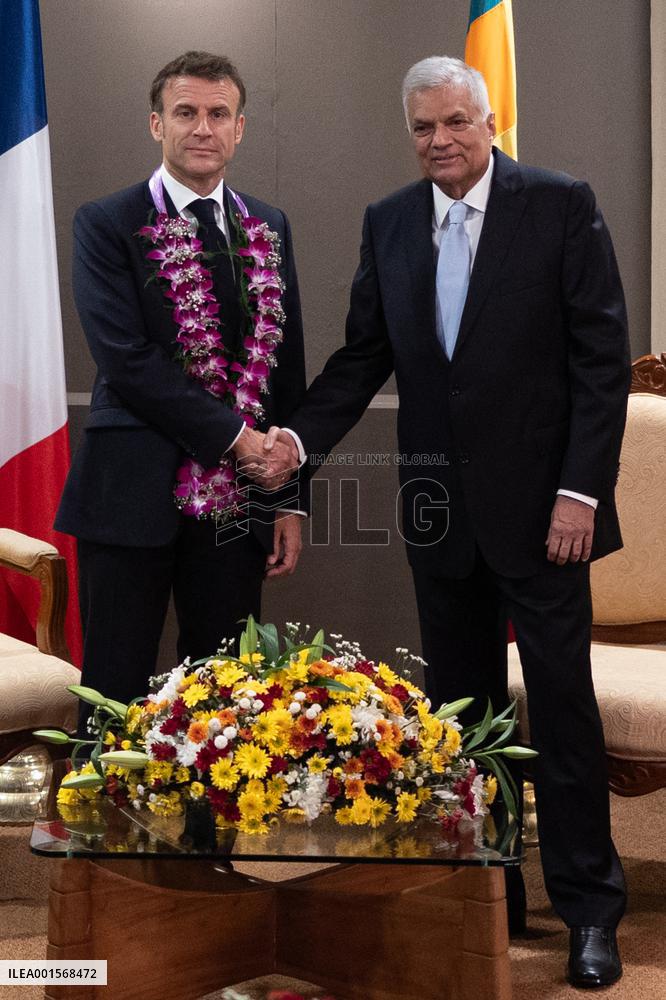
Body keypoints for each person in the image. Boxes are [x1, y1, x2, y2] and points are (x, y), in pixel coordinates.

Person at [266, 57, 630, 989]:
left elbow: (601, 360)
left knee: (561, 715)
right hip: (441, 517)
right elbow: (360, 358)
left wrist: (580, 495)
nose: (440, 141)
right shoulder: (390, 221)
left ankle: (590, 912)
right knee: (461, 723)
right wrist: (293, 444)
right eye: (423, 128)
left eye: (456, 123)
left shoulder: (558, 203)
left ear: (490, 119)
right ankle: (486, 897)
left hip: (551, 517)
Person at [56, 51, 306, 728]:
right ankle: (103, 833)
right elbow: (127, 360)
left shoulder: (269, 225)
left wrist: (285, 498)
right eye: (186, 112)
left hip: (237, 503)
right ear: (156, 124)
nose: (203, 127)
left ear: (240, 128)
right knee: (114, 683)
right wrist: (237, 439)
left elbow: (284, 366)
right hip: (129, 490)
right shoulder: (106, 222)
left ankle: (211, 833)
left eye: (218, 114)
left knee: (226, 690)